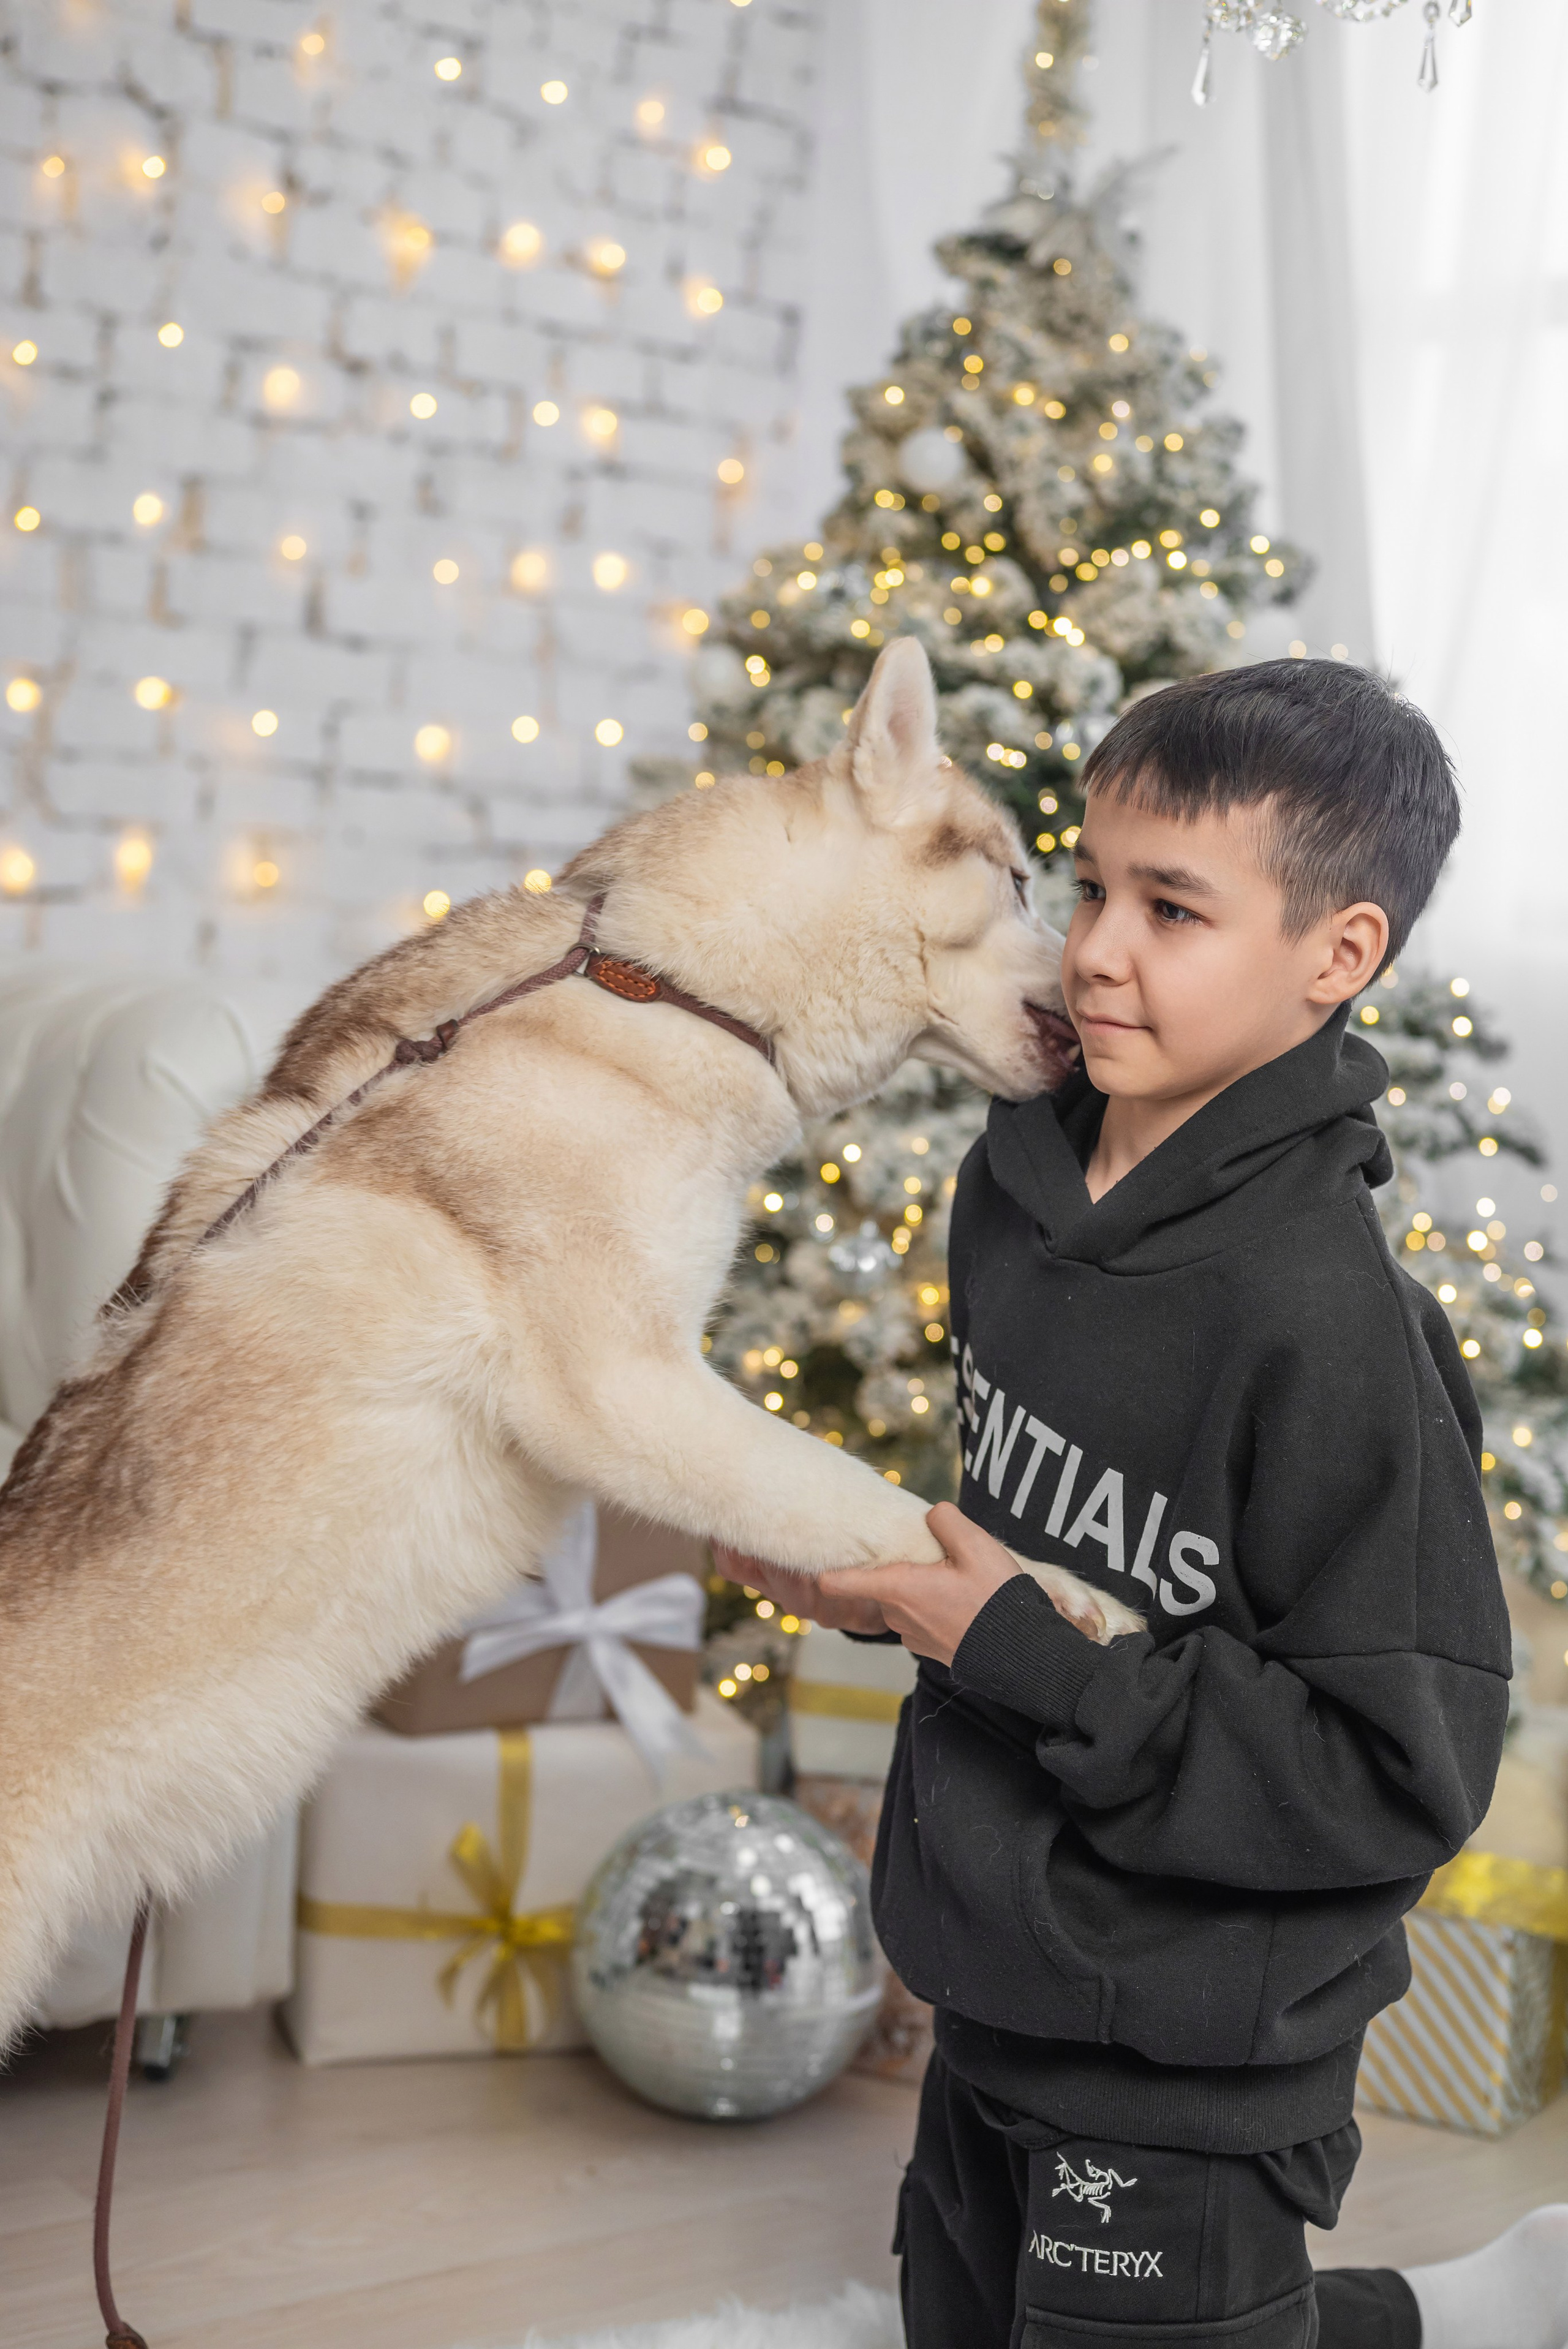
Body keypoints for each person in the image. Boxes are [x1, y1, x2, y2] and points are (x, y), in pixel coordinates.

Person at [727, 660, 1568, 2349]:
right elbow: (1052, 1555)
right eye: (1094, 882)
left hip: (1194, 2058)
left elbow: (1397, 1768)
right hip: (991, 1983)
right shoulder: (1011, 1185)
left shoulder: (1331, 1323)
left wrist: (1026, 1655)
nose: (1096, 944)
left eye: (1173, 908)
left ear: (1338, 957)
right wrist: (897, 1576)